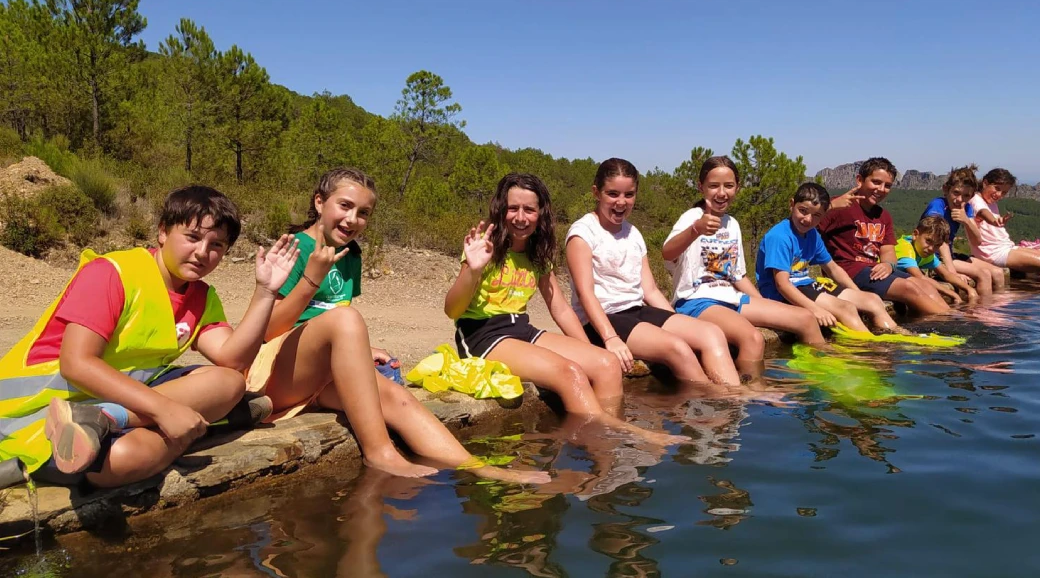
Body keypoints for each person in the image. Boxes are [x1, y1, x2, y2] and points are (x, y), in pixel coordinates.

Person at [248, 167, 550, 483]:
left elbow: (326, 322)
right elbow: (267, 332)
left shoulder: (349, 254)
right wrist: (311, 279)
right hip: (274, 376)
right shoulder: (295, 248)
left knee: (398, 398)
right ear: (320, 202)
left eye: (363, 213)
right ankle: (379, 453)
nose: (353, 220)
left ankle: (480, 468)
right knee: (347, 319)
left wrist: (361, 349)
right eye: (345, 206)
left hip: (320, 375)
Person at [0, 186, 294, 488]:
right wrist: (164, 410)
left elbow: (232, 359)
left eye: (216, 245)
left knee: (229, 382)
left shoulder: (201, 296)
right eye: (192, 237)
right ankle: (210, 424)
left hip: (115, 403)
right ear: (163, 232)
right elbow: (75, 364)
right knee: (122, 460)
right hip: (34, 419)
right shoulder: (113, 273)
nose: (203, 252)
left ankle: (107, 418)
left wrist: (266, 292)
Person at [444, 172, 685, 446]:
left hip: (520, 329)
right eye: (513, 208)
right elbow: (452, 310)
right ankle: (620, 433)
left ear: (540, 213)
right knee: (569, 373)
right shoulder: (483, 248)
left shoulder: (537, 250)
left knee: (606, 365)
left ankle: (604, 454)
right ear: (501, 209)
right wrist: (472, 271)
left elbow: (559, 307)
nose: (520, 217)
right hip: (482, 335)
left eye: (529, 210)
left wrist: (591, 352)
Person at [564, 158, 741, 385]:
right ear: (596, 193)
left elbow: (650, 290)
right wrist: (611, 338)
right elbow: (585, 294)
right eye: (613, 194)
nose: (621, 202)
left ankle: (733, 391)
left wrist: (677, 321)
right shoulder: (583, 234)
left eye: (629, 195)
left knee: (711, 333)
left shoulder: (633, 233)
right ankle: (719, 398)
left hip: (637, 310)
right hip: (601, 319)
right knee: (678, 348)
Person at [660, 156, 824, 376]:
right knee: (753, 337)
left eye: (728, 186)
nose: (721, 193)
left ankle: (821, 372)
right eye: (713, 186)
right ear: (701, 187)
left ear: (737, 187)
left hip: (732, 298)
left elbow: (737, 276)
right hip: (696, 300)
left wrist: (764, 305)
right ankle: (753, 391)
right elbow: (667, 252)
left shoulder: (732, 224)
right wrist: (695, 230)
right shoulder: (692, 217)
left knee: (806, 319)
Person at [756, 182, 907, 335]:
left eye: (816, 216)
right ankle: (868, 349)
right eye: (803, 211)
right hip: (781, 293)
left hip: (805, 285)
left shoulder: (812, 234)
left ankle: (897, 334)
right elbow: (782, 284)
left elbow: (833, 268)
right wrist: (815, 309)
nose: (808, 220)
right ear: (792, 205)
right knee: (846, 309)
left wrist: (858, 294)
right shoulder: (780, 237)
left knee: (872, 300)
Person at [818, 157, 950, 315]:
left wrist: (888, 265)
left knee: (924, 284)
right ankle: (945, 322)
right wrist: (831, 206)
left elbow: (888, 252)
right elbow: (801, 225)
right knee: (908, 288)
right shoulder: (838, 206)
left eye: (887, 186)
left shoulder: (884, 216)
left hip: (874, 271)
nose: (881, 189)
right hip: (848, 271)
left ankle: (950, 318)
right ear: (860, 180)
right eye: (876, 182)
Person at [967, 168, 1040, 281]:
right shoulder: (975, 200)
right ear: (985, 183)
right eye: (997, 188)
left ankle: (1038, 291)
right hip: (993, 253)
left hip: (1005, 247)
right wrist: (995, 221)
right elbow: (983, 212)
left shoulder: (990, 202)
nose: (999, 195)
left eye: (1004, 192)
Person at [921, 164, 1002, 296]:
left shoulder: (966, 207)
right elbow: (939, 241)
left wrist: (966, 221)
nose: (959, 200)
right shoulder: (938, 206)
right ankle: (980, 313)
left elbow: (977, 241)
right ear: (946, 189)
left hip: (950, 255)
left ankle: (999, 309)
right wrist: (952, 273)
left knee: (998, 273)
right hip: (933, 257)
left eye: (966, 196)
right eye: (956, 193)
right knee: (984, 275)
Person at [894, 216, 977, 304]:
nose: (931, 248)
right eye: (928, 241)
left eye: (937, 245)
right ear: (915, 234)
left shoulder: (925, 250)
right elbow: (920, 277)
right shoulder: (905, 249)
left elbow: (946, 274)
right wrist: (951, 293)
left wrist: (969, 289)